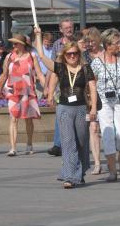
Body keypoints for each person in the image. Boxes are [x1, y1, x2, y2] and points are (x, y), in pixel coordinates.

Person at [35, 26, 97, 188]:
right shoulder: (60, 67)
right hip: (64, 108)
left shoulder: (85, 68)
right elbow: (41, 56)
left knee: (82, 142)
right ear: (65, 55)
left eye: (75, 54)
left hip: (81, 108)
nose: (72, 57)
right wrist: (39, 36)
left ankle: (80, 170)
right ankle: (70, 176)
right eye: (69, 54)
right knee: (68, 142)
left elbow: (92, 89)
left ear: (79, 54)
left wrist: (94, 109)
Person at [91, 28, 120, 182]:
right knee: (108, 133)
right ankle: (112, 170)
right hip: (104, 101)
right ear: (107, 45)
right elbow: (93, 84)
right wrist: (94, 106)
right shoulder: (96, 62)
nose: (119, 46)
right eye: (116, 43)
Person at [0, 33, 46, 156]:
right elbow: (4, 74)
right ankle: (13, 148)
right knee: (13, 119)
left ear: (23, 44)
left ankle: (29, 143)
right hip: (13, 91)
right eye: (13, 43)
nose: (13, 45)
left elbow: (39, 74)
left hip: (27, 91)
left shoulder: (32, 56)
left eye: (16, 43)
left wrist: (47, 88)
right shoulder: (9, 57)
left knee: (28, 120)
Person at [46, 18, 75, 157]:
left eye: (71, 27)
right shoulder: (57, 44)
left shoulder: (78, 42)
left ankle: (71, 144)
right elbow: (52, 68)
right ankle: (58, 145)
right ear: (61, 29)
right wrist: (47, 88)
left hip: (76, 86)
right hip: (60, 87)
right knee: (60, 115)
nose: (69, 29)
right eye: (66, 27)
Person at [85, 27, 104, 175]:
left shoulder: (105, 54)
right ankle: (97, 162)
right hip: (89, 96)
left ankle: (114, 154)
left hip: (105, 95)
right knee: (93, 128)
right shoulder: (83, 56)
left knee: (109, 129)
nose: (90, 44)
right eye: (88, 41)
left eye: (92, 41)